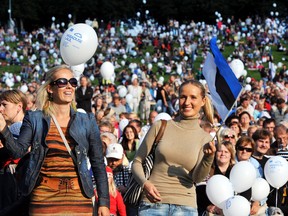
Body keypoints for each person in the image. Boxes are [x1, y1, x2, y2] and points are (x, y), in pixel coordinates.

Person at [0, 65, 110, 215]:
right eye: (62, 82)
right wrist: (3, 130)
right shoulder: (34, 119)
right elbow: (18, 151)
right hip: (44, 200)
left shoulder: (87, 121)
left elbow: (98, 163)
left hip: (79, 199)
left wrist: (104, 201)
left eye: (72, 82)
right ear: (50, 88)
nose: (69, 86)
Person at [132, 80, 216, 216]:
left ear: (203, 101)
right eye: (183, 97)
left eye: (193, 97)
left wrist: (208, 157)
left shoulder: (205, 139)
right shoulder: (160, 126)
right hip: (152, 205)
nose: (187, 102)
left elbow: (197, 178)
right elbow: (137, 161)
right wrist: (145, 184)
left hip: (186, 207)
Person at [0, 90, 27, 214]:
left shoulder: (19, 127)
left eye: (4, 105)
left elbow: (16, 153)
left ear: (19, 107)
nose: (1, 109)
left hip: (13, 184)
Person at [198, 141, 236, 216]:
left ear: (231, 155)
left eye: (226, 152)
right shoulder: (207, 170)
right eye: (220, 151)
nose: (223, 154)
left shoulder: (235, 171)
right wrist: (208, 206)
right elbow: (200, 191)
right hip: (211, 211)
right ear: (215, 153)